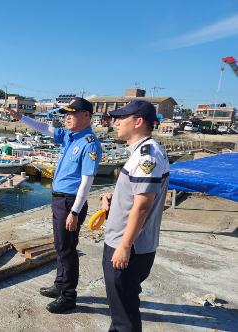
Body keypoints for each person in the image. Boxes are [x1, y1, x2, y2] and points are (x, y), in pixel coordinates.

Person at [7, 97, 102, 313]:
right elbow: (44, 127)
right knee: (61, 247)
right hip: (59, 199)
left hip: (70, 202)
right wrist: (20, 117)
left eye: (73, 113)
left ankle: (68, 296)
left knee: (67, 250)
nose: (68, 117)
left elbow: (87, 182)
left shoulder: (90, 144)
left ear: (86, 116)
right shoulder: (70, 136)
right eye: (66, 113)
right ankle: (60, 285)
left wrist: (75, 211)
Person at [101, 100, 170, 331]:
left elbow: (142, 206)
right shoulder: (142, 152)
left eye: (122, 118)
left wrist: (124, 246)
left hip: (128, 247)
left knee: (125, 314)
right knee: (120, 306)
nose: (116, 122)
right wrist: (116, 198)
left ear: (138, 121)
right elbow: (136, 195)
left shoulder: (146, 157)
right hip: (129, 244)